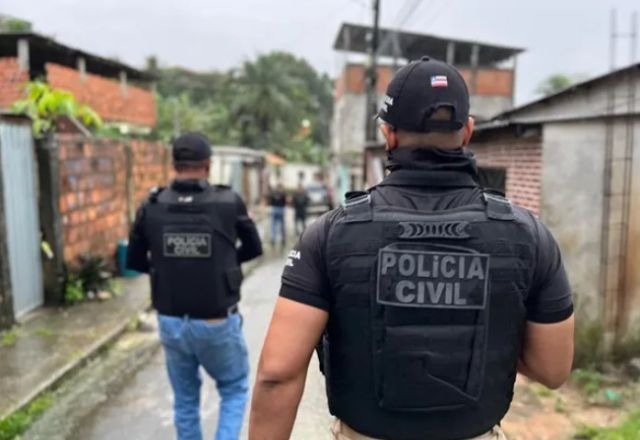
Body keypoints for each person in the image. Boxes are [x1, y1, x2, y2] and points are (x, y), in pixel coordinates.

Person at [249, 57, 575, 440]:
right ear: (468, 131)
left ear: (388, 135)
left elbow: (277, 375)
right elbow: (553, 369)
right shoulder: (528, 236)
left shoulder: (330, 234)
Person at [126, 132, 262, 440]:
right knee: (233, 389)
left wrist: (169, 269)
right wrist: (225, 264)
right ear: (208, 166)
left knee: (185, 401)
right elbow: (254, 247)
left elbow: (134, 261)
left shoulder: (151, 205)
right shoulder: (228, 202)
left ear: (173, 165)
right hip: (216, 319)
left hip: (171, 320)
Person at [267, 183, 287, 247]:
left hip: (275, 209)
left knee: (274, 225)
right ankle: (283, 238)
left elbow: (270, 201)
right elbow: (284, 202)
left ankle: (273, 239)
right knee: (282, 225)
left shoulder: (273, 193)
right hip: (280, 209)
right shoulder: (283, 194)